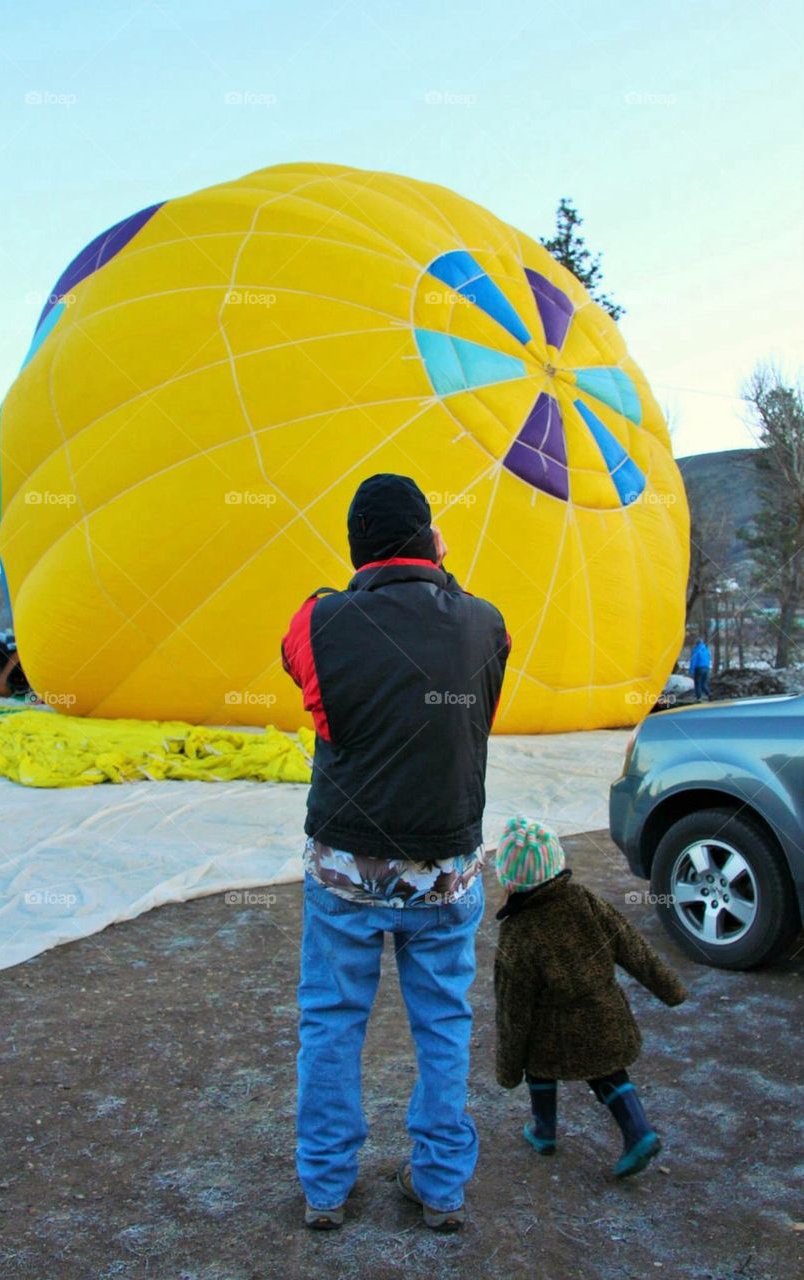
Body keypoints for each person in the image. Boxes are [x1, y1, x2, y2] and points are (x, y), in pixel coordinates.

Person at [281, 473, 511, 1232]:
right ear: (431, 541)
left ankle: (324, 1185)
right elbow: (475, 699)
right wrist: (441, 574)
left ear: (358, 550)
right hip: (444, 871)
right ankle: (440, 1184)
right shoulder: (486, 623)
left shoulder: (319, 621)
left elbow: (300, 666)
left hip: (344, 868)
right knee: (442, 1023)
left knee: (331, 1021)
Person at [493, 817, 688, 1178]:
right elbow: (631, 944)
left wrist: (508, 1068)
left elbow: (512, 1009)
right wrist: (669, 988)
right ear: (558, 863)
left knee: (538, 1065)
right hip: (605, 1016)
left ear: (506, 878)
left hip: (552, 1034)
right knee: (608, 1071)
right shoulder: (583, 900)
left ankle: (544, 1131)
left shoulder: (516, 932)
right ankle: (638, 1131)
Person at [689, 637, 712, 701]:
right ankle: (709, 693)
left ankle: (699, 697)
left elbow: (693, 661)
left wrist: (691, 670)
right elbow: (709, 659)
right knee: (704, 683)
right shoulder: (706, 650)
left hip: (699, 668)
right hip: (706, 668)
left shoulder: (696, 650)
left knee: (697, 683)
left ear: (696, 643)